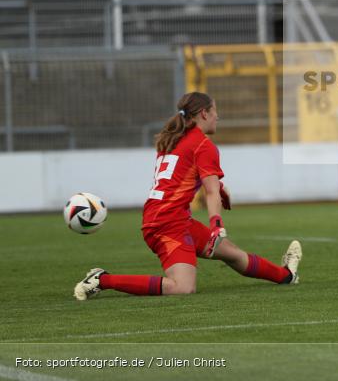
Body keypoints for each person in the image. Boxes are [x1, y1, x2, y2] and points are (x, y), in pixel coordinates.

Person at [73, 92, 301, 300]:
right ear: (204, 113)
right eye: (215, 111)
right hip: (167, 224)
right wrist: (216, 223)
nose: (217, 117)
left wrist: (218, 188)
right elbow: (209, 191)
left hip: (169, 218)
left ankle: (286, 275)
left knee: (232, 254)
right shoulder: (203, 145)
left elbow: (186, 176)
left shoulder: (174, 138)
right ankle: (102, 280)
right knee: (182, 288)